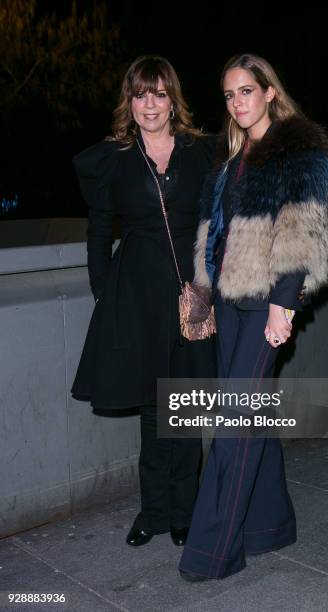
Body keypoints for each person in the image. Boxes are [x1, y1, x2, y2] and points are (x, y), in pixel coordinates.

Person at [179, 53, 328, 580]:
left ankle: (212, 552)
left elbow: (302, 232)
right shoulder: (229, 163)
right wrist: (202, 292)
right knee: (250, 418)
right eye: (229, 94)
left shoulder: (299, 152)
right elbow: (213, 236)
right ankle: (269, 525)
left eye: (247, 90)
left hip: (268, 301)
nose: (237, 102)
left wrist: (283, 306)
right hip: (229, 301)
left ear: (269, 91)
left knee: (232, 425)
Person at [71, 56, 216, 549]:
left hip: (192, 294)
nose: (149, 104)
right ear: (128, 102)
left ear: (172, 99)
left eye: (158, 93)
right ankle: (153, 513)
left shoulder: (201, 153)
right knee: (155, 410)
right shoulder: (112, 159)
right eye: (140, 94)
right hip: (136, 295)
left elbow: (218, 222)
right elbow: (97, 233)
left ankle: (185, 512)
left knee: (187, 406)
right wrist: (103, 291)